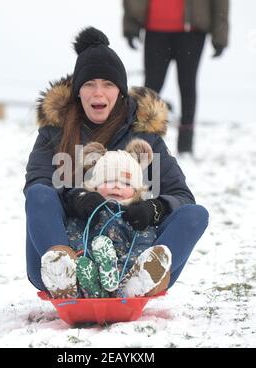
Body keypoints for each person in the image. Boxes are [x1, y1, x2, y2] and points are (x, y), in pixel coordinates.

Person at [24, 26, 209, 300]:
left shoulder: (144, 138)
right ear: (78, 92)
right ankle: (63, 271)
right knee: (39, 194)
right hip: (74, 246)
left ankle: (142, 279)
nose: (98, 93)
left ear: (120, 92)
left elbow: (181, 196)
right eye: (89, 84)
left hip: (132, 251)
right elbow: (37, 187)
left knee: (196, 214)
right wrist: (74, 198)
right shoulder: (55, 133)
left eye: (108, 84)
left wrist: (155, 208)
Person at [54, 138, 172, 299]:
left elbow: (143, 242)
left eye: (126, 183)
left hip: (124, 275)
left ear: (137, 190)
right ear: (94, 186)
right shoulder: (89, 210)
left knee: (141, 259)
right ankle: (78, 286)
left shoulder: (136, 216)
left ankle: (127, 287)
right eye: (108, 181)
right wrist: (83, 258)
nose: (117, 186)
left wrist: (122, 267)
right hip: (88, 272)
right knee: (81, 267)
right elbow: (74, 234)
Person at [123, 0, 229, 153]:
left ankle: (186, 145)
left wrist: (220, 34)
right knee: (151, 88)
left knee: (187, 86)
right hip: (155, 29)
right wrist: (131, 25)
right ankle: (142, 141)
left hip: (191, 31)